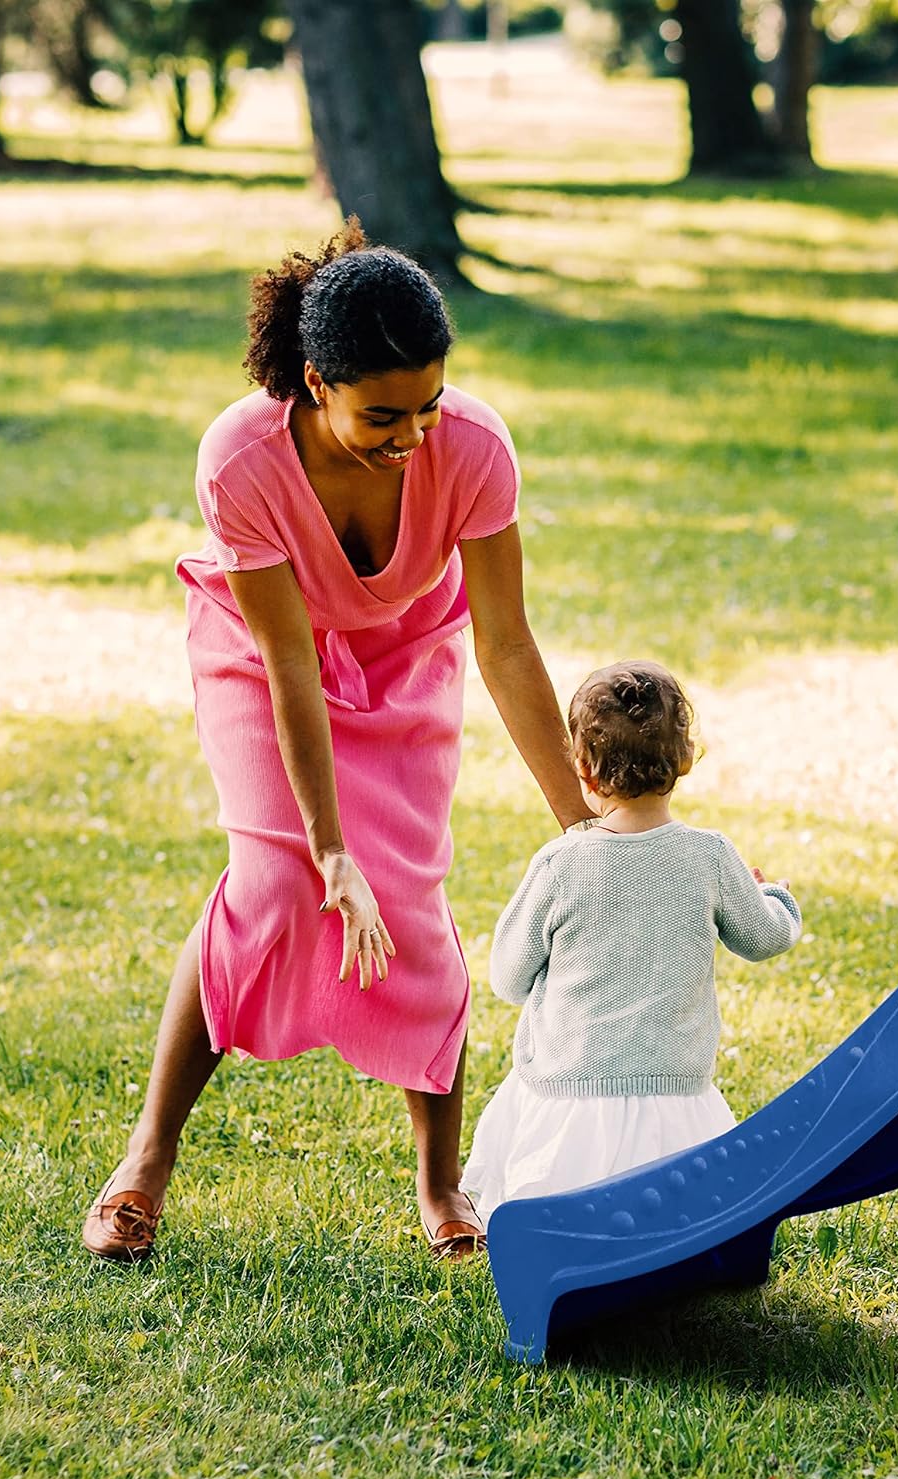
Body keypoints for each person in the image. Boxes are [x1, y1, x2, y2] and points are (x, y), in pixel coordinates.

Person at [82, 222, 593, 1264]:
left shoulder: (475, 450)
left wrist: (583, 827)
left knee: (410, 900)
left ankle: (441, 1183)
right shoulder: (243, 460)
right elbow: (289, 662)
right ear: (317, 384)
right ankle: (145, 1162)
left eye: (430, 405)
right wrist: (326, 847)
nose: (414, 436)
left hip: (406, 654)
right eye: (384, 416)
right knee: (272, 886)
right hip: (266, 659)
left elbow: (504, 644)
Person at [461, 660, 802, 1221]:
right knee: (680, 1228)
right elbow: (763, 938)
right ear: (685, 758)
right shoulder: (711, 855)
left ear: (583, 770)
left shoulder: (560, 864)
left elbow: (507, 979)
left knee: (563, 1224)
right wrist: (777, 900)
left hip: (567, 1097)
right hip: (676, 1098)